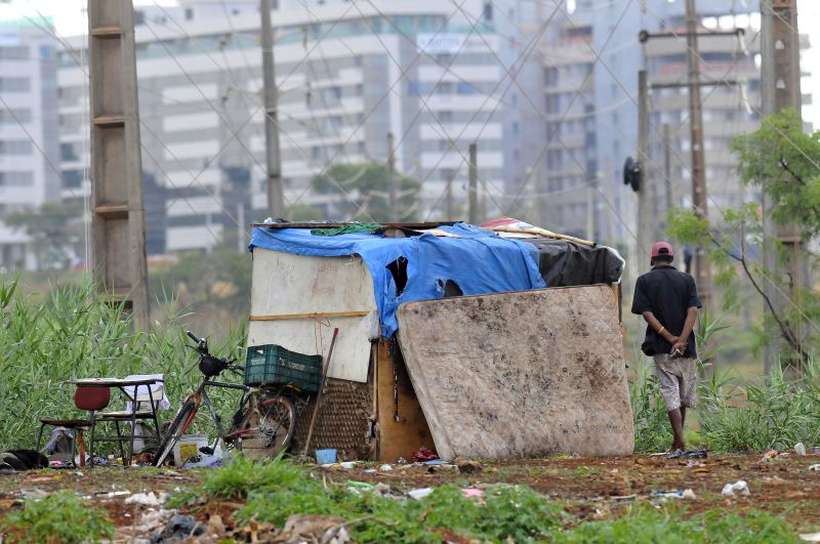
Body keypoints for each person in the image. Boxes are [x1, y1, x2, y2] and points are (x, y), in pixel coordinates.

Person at [631, 241, 702, 454]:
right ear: (671, 258)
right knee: (682, 393)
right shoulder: (687, 280)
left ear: (652, 259)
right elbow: (693, 311)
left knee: (670, 391)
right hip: (687, 347)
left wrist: (670, 338)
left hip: (662, 347)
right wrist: (682, 339)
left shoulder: (644, 281)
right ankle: (679, 440)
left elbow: (647, 314)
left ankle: (679, 440)